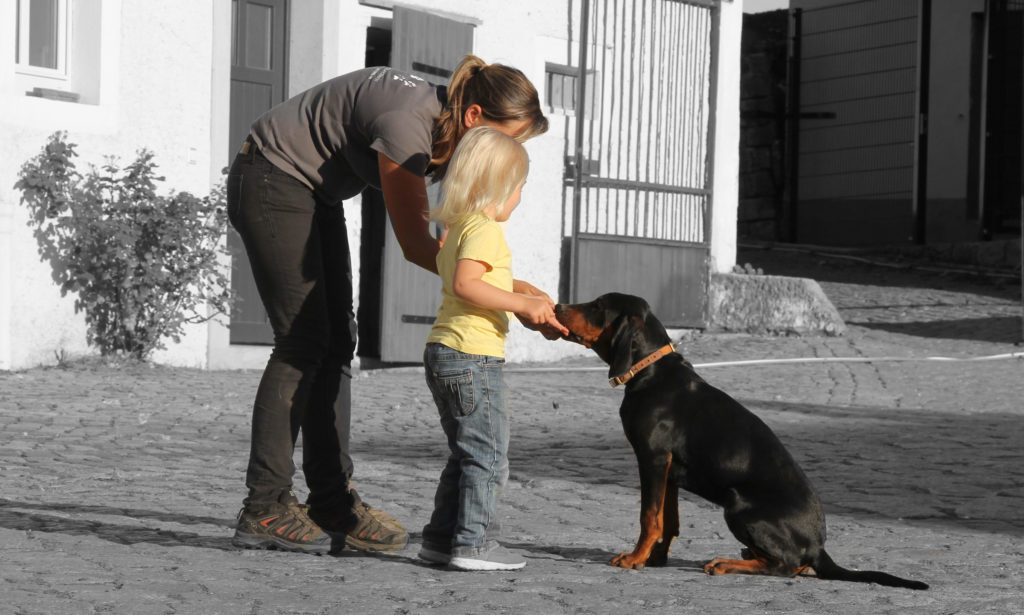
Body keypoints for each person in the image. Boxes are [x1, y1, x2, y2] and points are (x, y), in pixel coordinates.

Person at [227, 55, 555, 555]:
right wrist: (515, 296)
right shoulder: (408, 124)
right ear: (474, 118)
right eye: (506, 138)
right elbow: (417, 243)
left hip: (314, 194)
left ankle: (332, 504)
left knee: (337, 341)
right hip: (271, 177)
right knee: (303, 341)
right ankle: (266, 505)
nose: (503, 152)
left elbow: (459, 237)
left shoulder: (448, 132)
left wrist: (515, 291)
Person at [416, 126, 567, 571]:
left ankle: (442, 540)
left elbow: (472, 283)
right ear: (500, 187)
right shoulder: (485, 230)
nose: (519, 198)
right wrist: (521, 302)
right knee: (488, 455)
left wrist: (523, 300)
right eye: (519, 188)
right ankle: (474, 545)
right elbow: (467, 285)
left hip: (445, 350)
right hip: (472, 357)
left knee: (465, 452)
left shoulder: (457, 226)